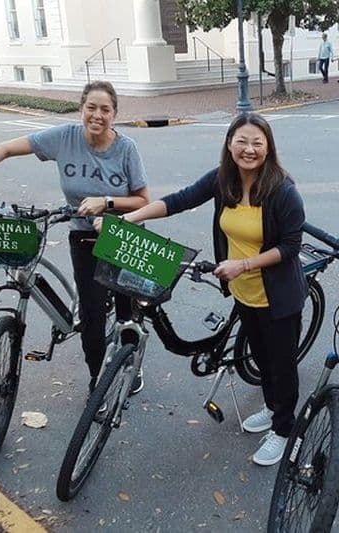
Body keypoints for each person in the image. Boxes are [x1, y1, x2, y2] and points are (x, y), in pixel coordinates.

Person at [108, 113, 306, 467]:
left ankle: (284, 429)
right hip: (244, 294)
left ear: (268, 147)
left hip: (278, 297)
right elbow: (179, 200)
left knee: (282, 365)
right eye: (242, 142)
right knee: (261, 358)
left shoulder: (282, 191)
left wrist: (242, 264)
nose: (249, 149)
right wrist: (129, 219)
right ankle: (273, 407)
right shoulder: (223, 181)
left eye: (257, 143)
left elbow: (291, 246)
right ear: (229, 144)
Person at [0, 80, 150, 399]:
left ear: (114, 114)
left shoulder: (126, 148)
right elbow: (5, 148)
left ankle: (131, 361)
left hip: (121, 231)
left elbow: (143, 201)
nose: (97, 115)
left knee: (125, 308)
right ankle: (98, 378)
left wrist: (106, 202)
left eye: (105, 109)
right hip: (83, 234)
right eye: (91, 107)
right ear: (82, 109)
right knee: (92, 316)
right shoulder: (64, 138)